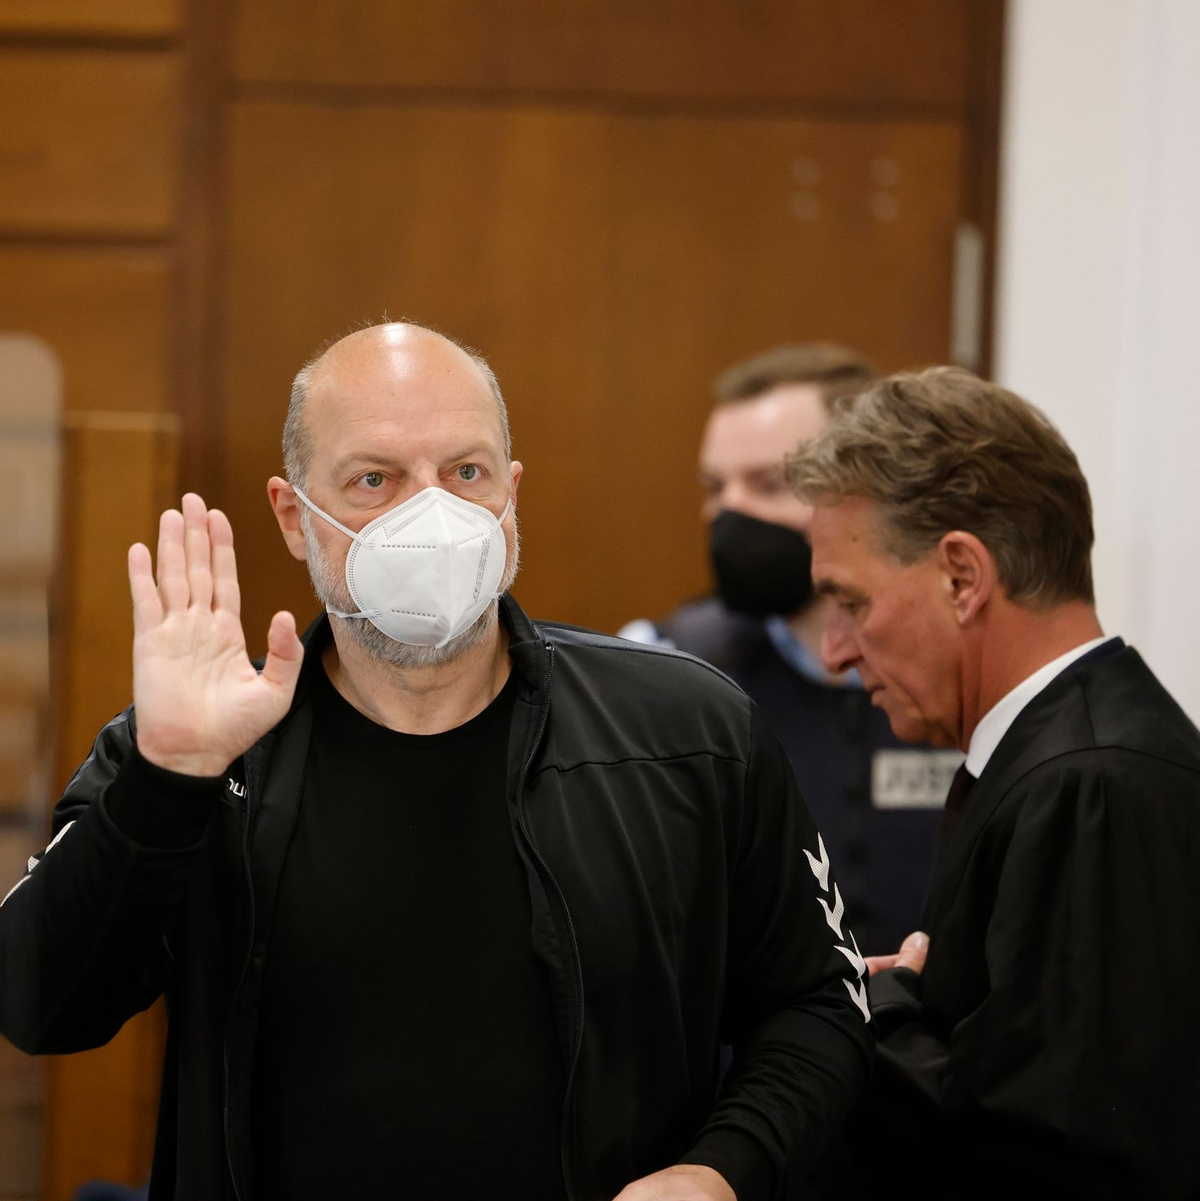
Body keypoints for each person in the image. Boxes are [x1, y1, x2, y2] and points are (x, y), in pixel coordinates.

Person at [0, 322, 872, 1201]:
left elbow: (818, 1004)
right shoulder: (206, 751)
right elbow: (39, 1001)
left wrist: (718, 1172)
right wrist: (165, 782)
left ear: (511, 492)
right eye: (374, 479)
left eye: (466, 473)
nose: (434, 514)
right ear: (295, 517)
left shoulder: (687, 733)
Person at [786, 366, 1200, 1199]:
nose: (834, 650)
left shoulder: (1091, 787)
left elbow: (1062, 1158)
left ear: (962, 577)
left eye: (850, 601)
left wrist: (879, 1007)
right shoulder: (1061, 760)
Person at [621, 345, 956, 957]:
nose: (731, 512)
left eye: (770, 482)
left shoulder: (963, 676)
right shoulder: (660, 671)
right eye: (716, 486)